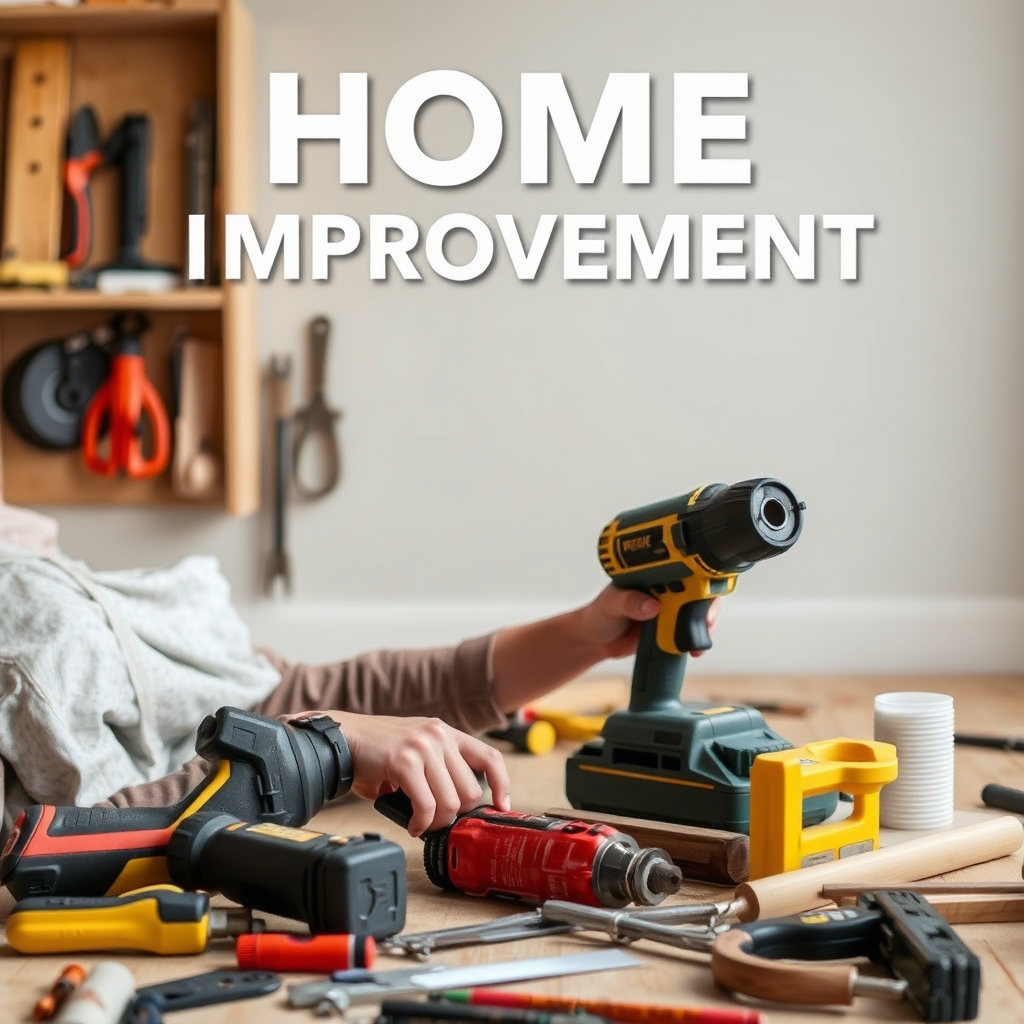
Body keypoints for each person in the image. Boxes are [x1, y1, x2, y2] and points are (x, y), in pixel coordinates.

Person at [0, 502, 718, 843]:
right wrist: (319, 748)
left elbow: (288, 695)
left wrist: (582, 634)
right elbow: (46, 842)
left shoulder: (42, 561)